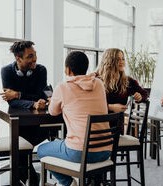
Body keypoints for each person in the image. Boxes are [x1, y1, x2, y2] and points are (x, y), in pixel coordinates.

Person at [37, 51, 111, 186]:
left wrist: (53, 99)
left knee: (42, 150)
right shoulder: (99, 84)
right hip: (106, 150)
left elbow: (53, 112)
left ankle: (68, 183)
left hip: (79, 152)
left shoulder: (63, 87)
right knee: (65, 143)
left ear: (67, 69)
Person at [0, 40, 53, 186]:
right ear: (18, 58)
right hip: (19, 126)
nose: (34, 59)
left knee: (22, 146)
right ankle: (29, 175)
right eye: (30, 56)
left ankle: (24, 176)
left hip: (39, 126)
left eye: (35, 55)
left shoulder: (41, 70)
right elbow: (11, 102)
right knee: (20, 143)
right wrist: (32, 103)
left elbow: (39, 94)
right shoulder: (7, 71)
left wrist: (18, 94)